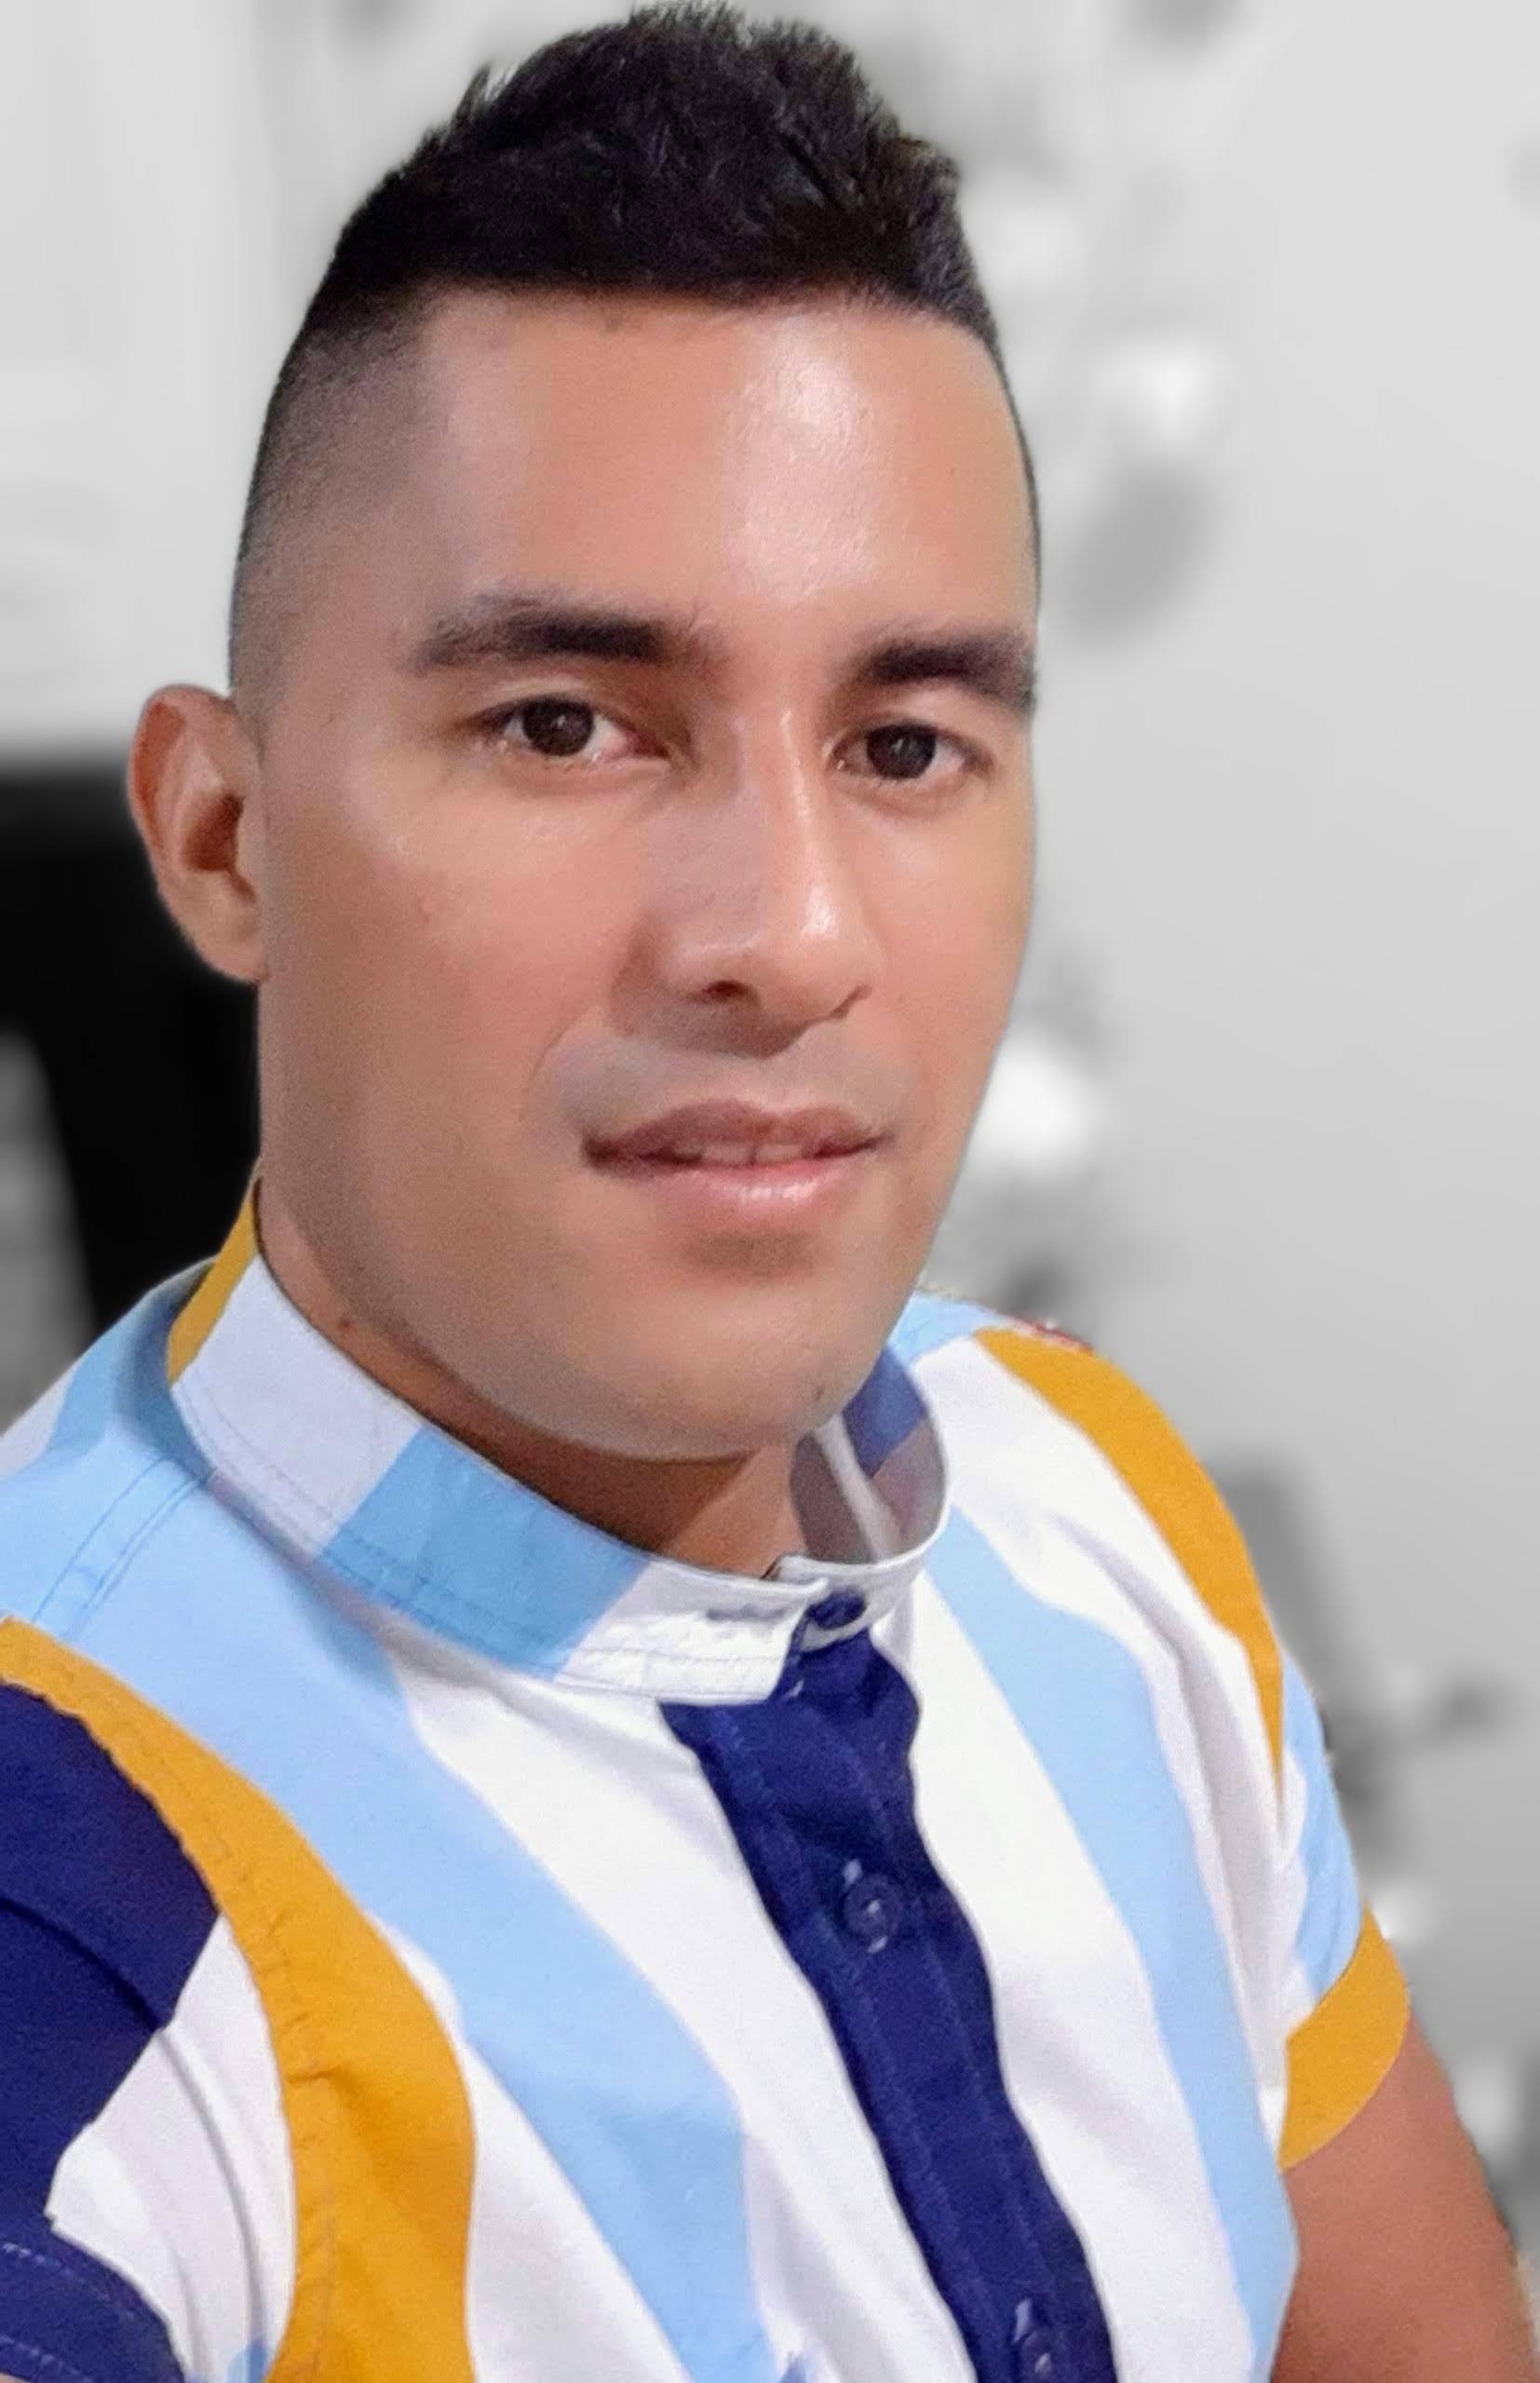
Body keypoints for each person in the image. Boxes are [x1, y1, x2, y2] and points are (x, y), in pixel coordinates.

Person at [0, 6, 1530, 2378]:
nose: (791, 935)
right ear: (222, 835)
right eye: (564, 724)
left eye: (903, 741)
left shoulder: (1095, 1512)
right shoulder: (71, 1919)